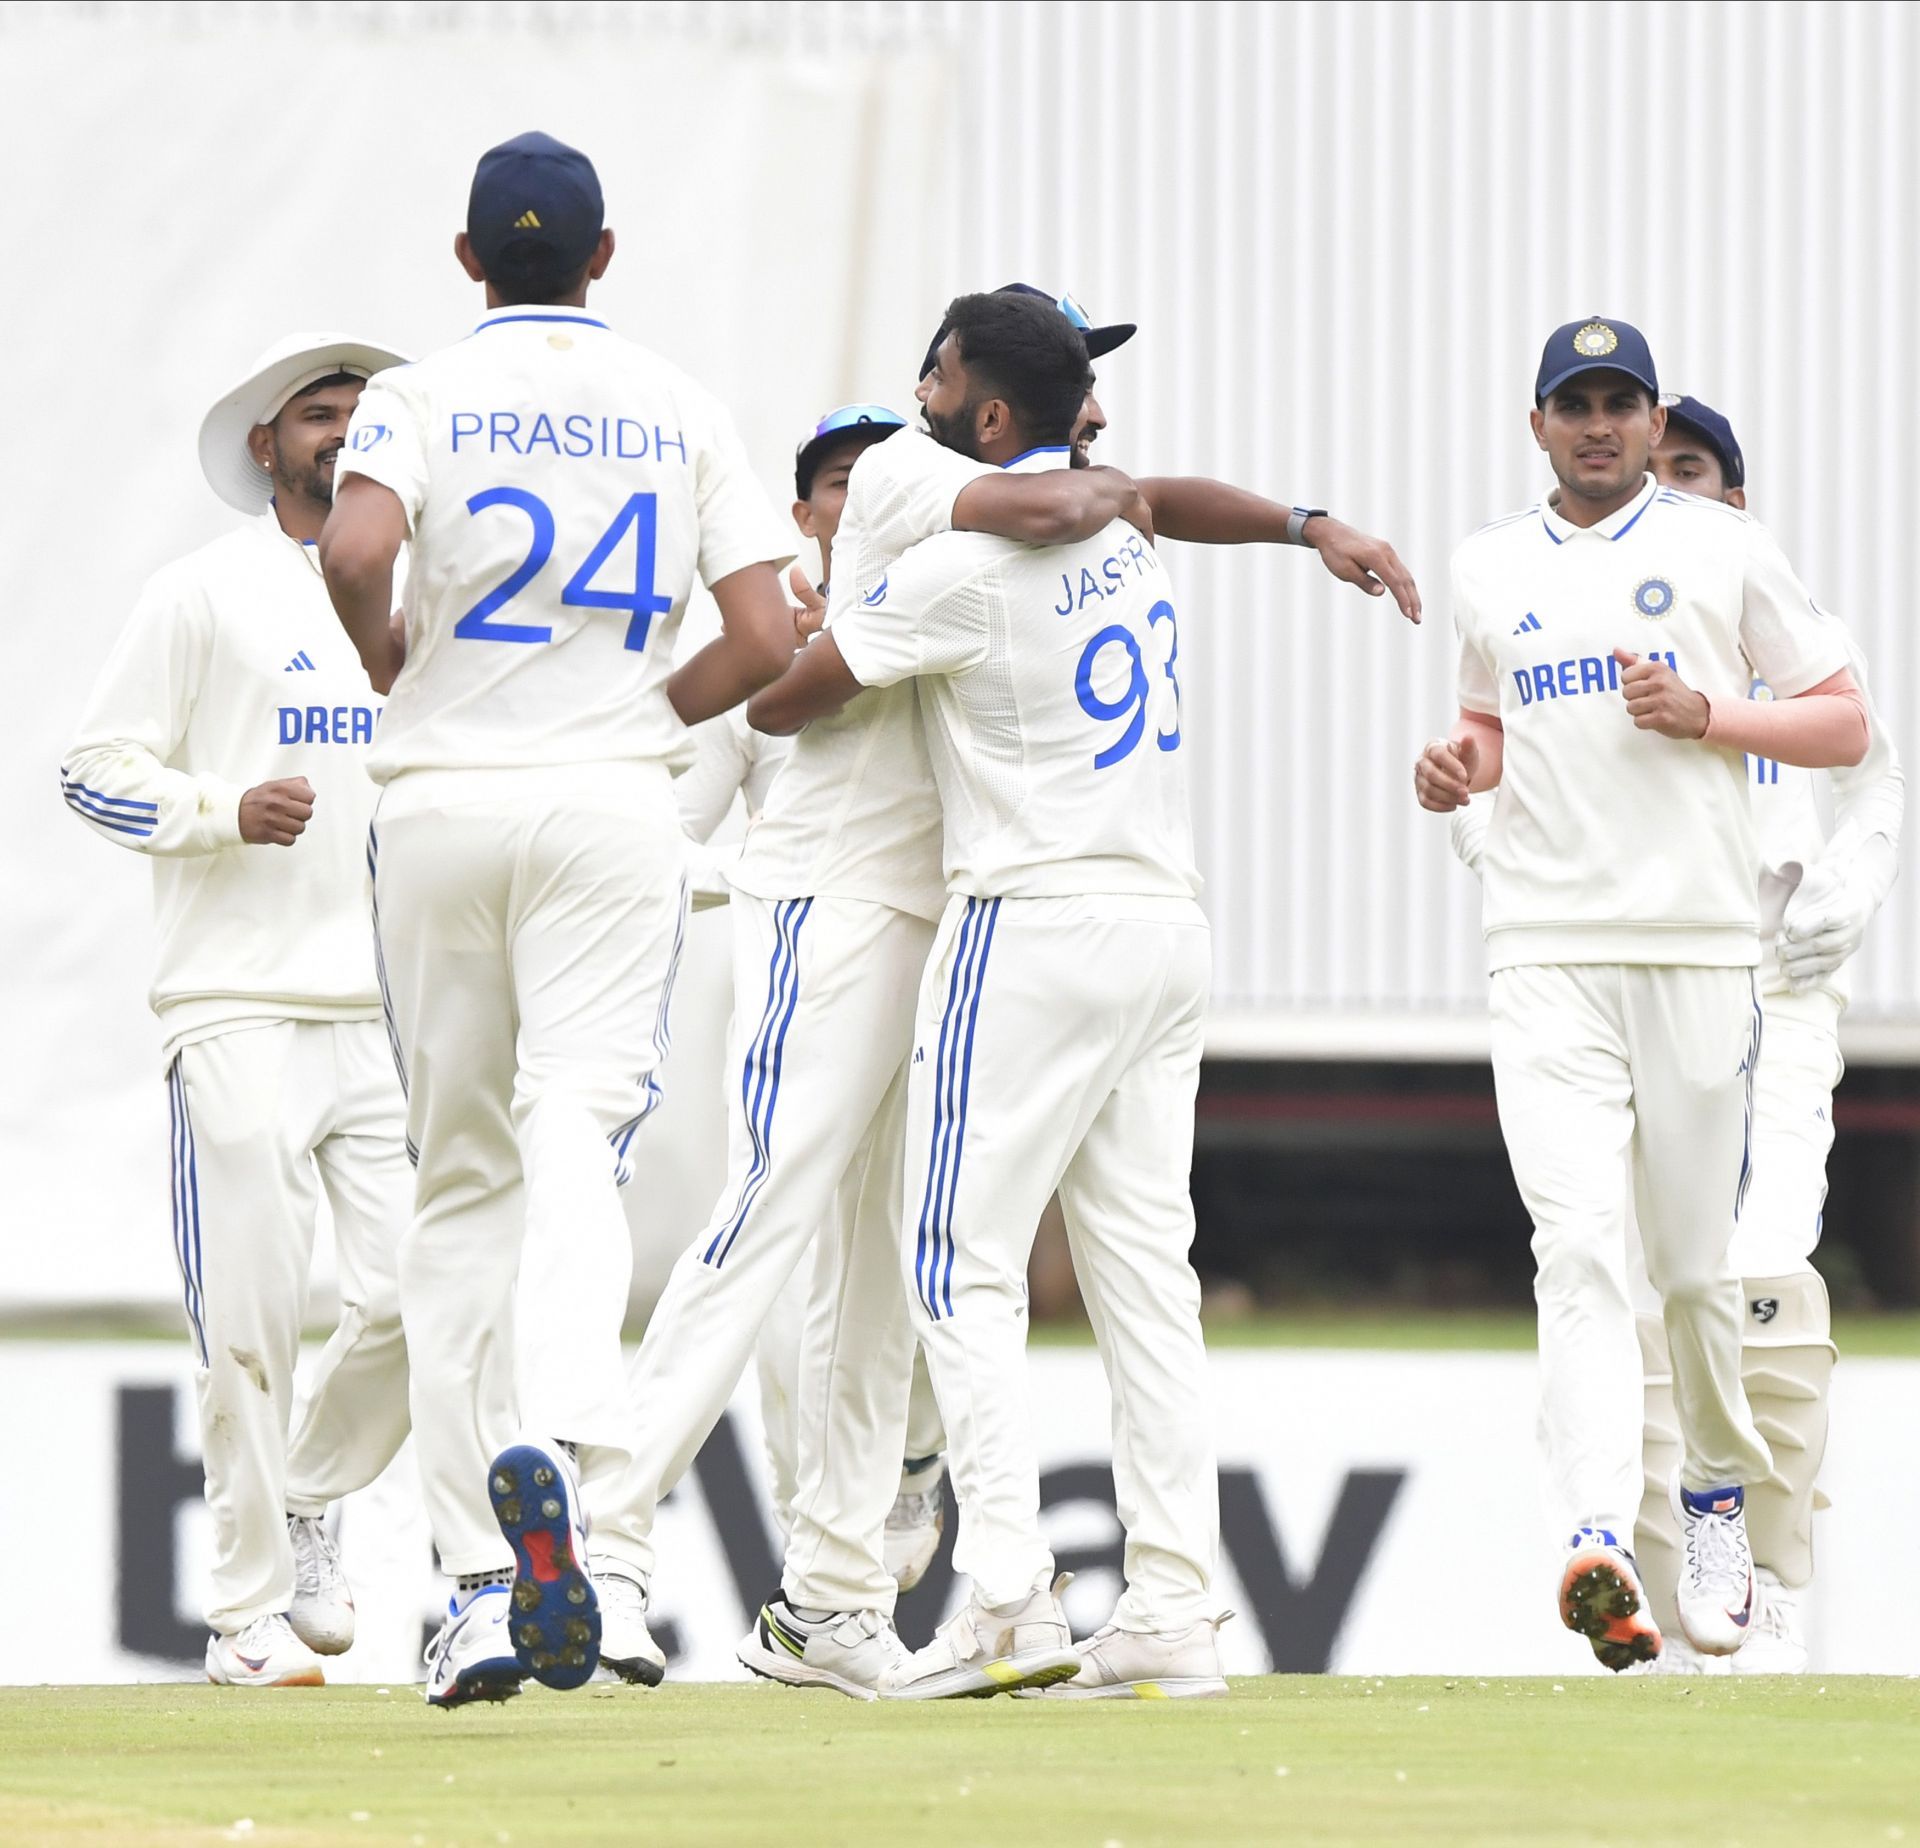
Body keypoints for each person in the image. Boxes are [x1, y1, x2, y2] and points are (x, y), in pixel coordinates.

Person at [318, 131, 797, 1707]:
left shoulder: (421, 393)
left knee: (458, 1183)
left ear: (468, 260)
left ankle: (467, 1584)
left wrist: (390, 653)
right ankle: (571, 1452)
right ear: (604, 256)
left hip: (443, 802)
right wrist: (652, 706)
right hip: (610, 806)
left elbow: (360, 543)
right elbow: (763, 635)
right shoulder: (680, 401)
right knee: (580, 1133)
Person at [747, 285, 1250, 1701]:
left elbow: (792, 701)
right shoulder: (1133, 540)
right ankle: (1172, 1603)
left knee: (953, 1260)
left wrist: (806, 630)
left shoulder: (960, 571)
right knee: (1149, 1275)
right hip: (1166, 916)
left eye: (945, 369)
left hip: (1030, 921)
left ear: (979, 408)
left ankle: (1011, 1595)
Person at [1415, 318, 1871, 1670]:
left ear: (1650, 413)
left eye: (1622, 405)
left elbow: (1843, 715)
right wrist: (1459, 771)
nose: (1601, 426)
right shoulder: (1488, 565)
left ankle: (1716, 1495)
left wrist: (1711, 717)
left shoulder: (1724, 549)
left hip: (1697, 947)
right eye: (1577, 405)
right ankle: (1596, 1531)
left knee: (1690, 1268)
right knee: (1577, 1249)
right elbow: (1491, 726)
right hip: (1543, 949)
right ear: (1539, 422)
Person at [62, 332, 416, 1689]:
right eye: (319, 415)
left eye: (365, 415)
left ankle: (315, 1493)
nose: (344, 433)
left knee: (417, 1302)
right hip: (236, 1003)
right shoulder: (203, 594)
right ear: (266, 447)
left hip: (386, 1014)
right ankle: (247, 1614)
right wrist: (219, 811)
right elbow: (92, 774)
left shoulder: (427, 593)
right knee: (252, 1320)